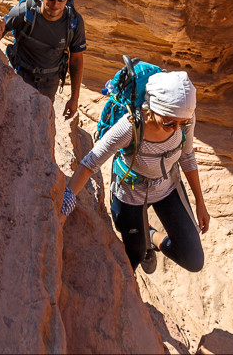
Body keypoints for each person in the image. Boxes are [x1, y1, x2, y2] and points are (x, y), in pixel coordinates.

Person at [61, 70, 209, 274]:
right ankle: (143, 240)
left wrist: (200, 203)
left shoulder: (184, 117)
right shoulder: (130, 127)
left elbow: (187, 156)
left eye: (181, 123)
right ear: (152, 110)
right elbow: (90, 163)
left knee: (192, 259)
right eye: (169, 123)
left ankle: (151, 235)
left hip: (167, 187)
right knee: (135, 256)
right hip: (131, 191)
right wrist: (66, 200)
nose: (177, 129)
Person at [0, 0, 88, 119]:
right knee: (11, 118)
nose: (55, 4)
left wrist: (74, 99)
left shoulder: (74, 22)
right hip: (19, 76)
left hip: (49, 84)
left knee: (39, 122)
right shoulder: (25, 12)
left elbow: (76, 60)